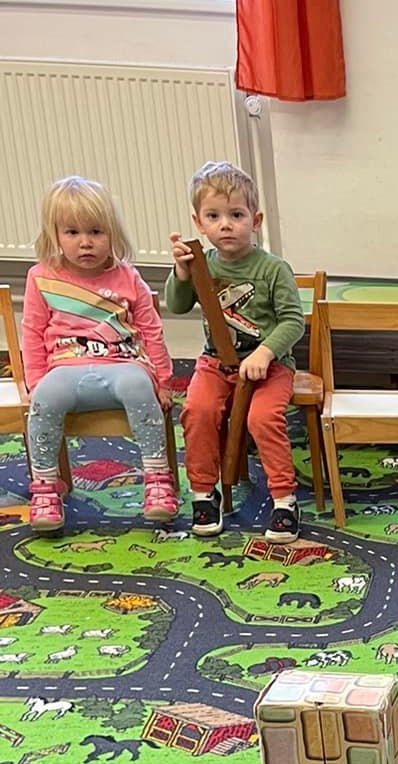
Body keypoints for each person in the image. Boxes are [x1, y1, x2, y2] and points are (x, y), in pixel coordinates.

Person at [20, 177, 176, 532]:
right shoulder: (41, 277)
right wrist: (35, 382)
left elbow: (151, 330)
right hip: (65, 367)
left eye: (95, 232)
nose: (85, 242)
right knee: (45, 398)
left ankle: (157, 480)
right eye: (72, 232)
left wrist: (163, 380)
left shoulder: (128, 277)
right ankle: (45, 488)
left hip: (122, 364)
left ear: (112, 234)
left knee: (139, 387)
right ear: (54, 235)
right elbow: (32, 331)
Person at [165, 161, 305, 542]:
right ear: (199, 222)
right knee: (197, 411)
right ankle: (203, 493)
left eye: (236, 215)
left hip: (270, 366)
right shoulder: (201, 265)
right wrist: (181, 273)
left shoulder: (273, 269)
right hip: (216, 362)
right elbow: (176, 305)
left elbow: (293, 322)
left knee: (263, 418)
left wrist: (265, 352)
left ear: (255, 220)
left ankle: (284, 499)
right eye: (214, 216)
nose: (225, 225)